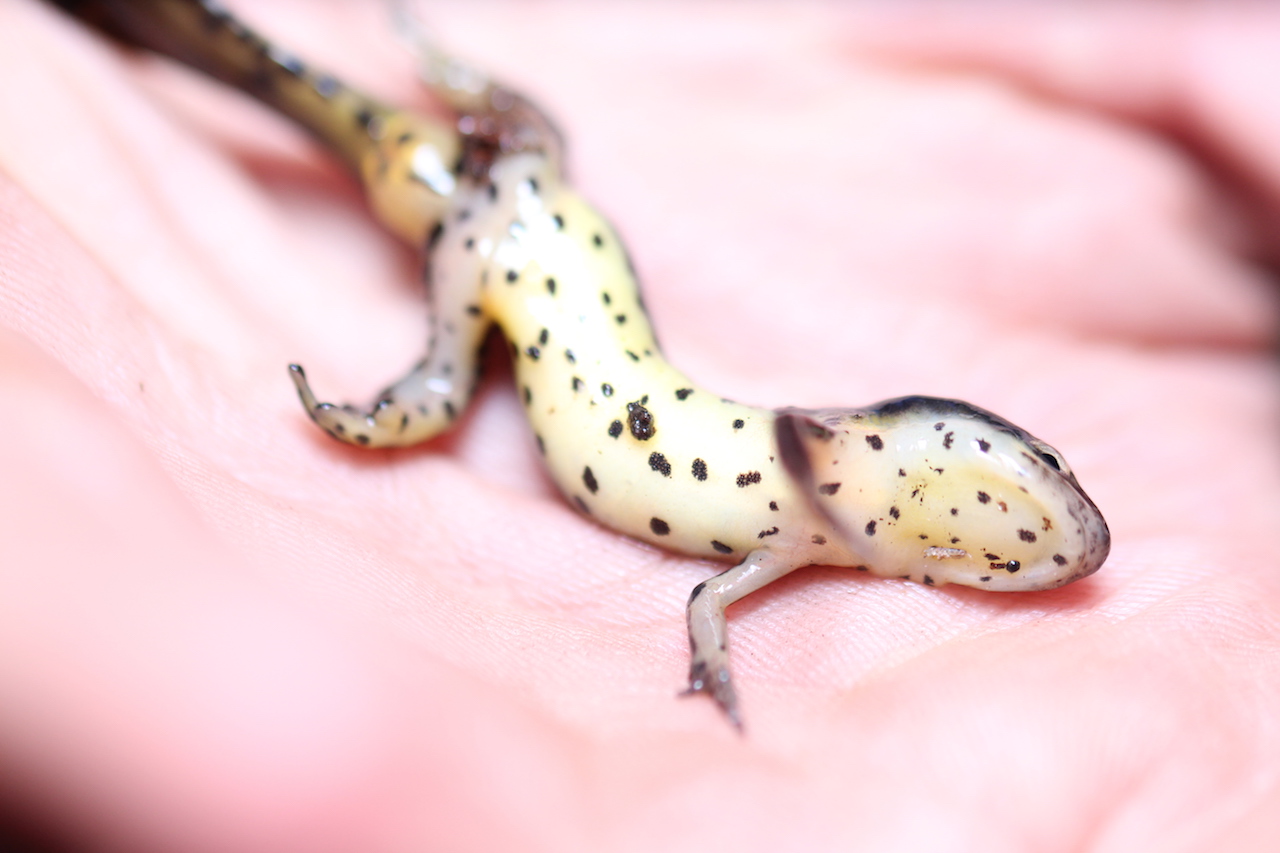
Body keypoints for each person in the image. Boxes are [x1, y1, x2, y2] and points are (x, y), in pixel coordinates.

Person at [1, 1, 1277, 850]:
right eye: (1024, 481)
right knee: (444, 368)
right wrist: (714, 660)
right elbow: (707, 606)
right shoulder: (793, 529)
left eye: (996, 543)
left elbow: (711, 609)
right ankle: (385, 372)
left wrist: (716, 658)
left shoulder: (795, 509)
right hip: (506, 228)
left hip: (519, 216)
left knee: (493, 228)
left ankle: (424, 178)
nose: (1017, 528)